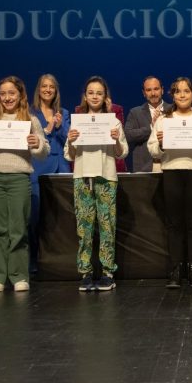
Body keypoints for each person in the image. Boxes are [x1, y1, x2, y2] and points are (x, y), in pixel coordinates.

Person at [0, 76, 49, 293]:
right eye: (3, 94)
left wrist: (37, 143)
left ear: (20, 95)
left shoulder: (30, 120)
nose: (7, 98)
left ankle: (19, 275)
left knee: (18, 228)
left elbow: (44, 151)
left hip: (19, 178)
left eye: (11, 93)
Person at [148, 77, 192, 288]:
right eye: (178, 92)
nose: (183, 95)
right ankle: (176, 270)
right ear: (173, 95)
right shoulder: (164, 119)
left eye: (186, 91)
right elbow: (152, 150)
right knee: (174, 224)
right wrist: (160, 143)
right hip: (171, 172)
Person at [65, 76, 128, 292]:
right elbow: (69, 154)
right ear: (85, 96)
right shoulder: (77, 121)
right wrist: (72, 140)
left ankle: (108, 271)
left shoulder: (113, 122)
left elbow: (123, 152)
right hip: (82, 176)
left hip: (106, 176)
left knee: (107, 225)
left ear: (105, 97)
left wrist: (116, 138)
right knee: (84, 226)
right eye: (91, 92)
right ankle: (86, 272)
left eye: (99, 93)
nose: (94, 96)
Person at [29, 74, 70, 271]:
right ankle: (34, 259)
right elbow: (32, 140)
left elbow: (68, 140)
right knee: (36, 217)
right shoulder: (30, 113)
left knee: (61, 215)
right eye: (44, 86)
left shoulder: (64, 112)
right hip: (38, 166)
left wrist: (60, 126)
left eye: (51, 87)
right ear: (39, 89)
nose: (47, 90)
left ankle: (59, 258)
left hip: (60, 165)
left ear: (56, 90)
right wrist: (47, 129)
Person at [125, 76, 170, 172]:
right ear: (144, 93)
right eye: (148, 90)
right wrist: (151, 127)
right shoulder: (135, 112)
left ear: (162, 90)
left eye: (156, 89)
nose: (153, 93)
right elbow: (128, 135)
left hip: (170, 163)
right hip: (145, 165)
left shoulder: (173, 109)